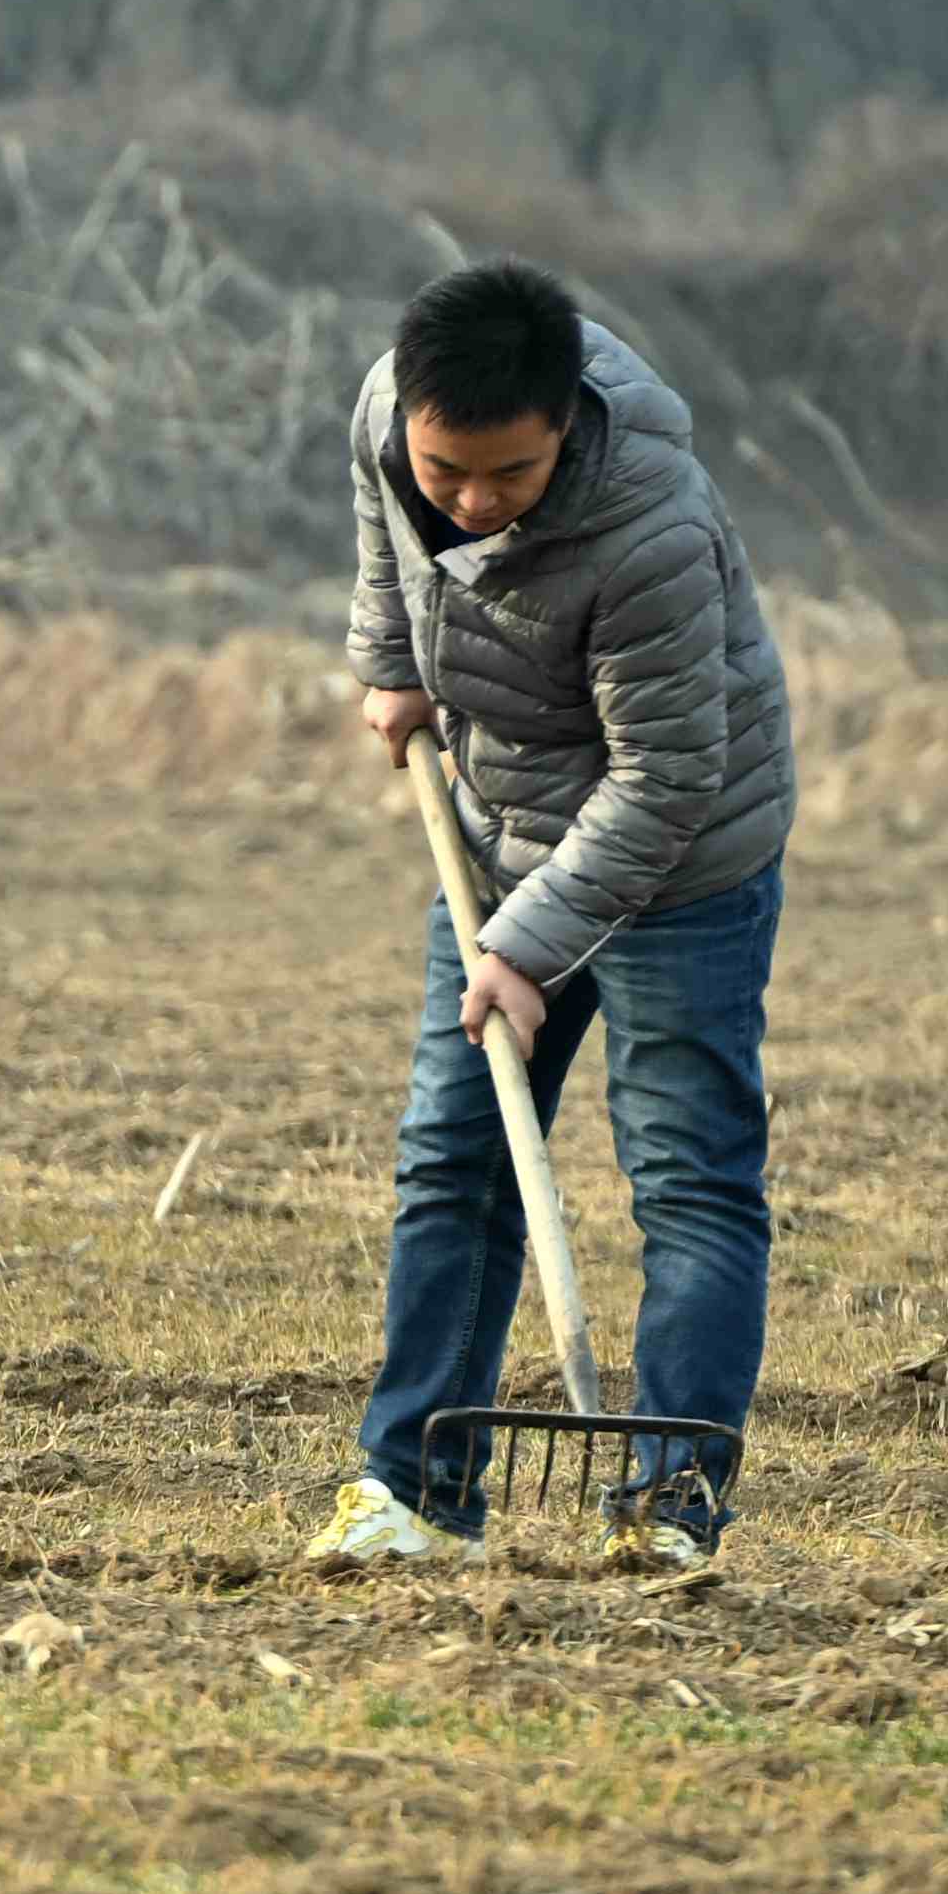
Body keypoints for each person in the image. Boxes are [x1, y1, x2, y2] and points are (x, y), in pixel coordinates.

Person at [311, 256, 799, 1583]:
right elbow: (384, 532)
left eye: (506, 478)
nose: (469, 499)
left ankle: (671, 1495)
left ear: (567, 426)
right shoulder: (386, 421)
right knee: (449, 1159)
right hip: (492, 827)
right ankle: (411, 1486)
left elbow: (666, 780)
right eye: (445, 468)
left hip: (682, 859)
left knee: (688, 1174)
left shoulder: (649, 528)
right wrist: (393, 668)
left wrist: (526, 949)